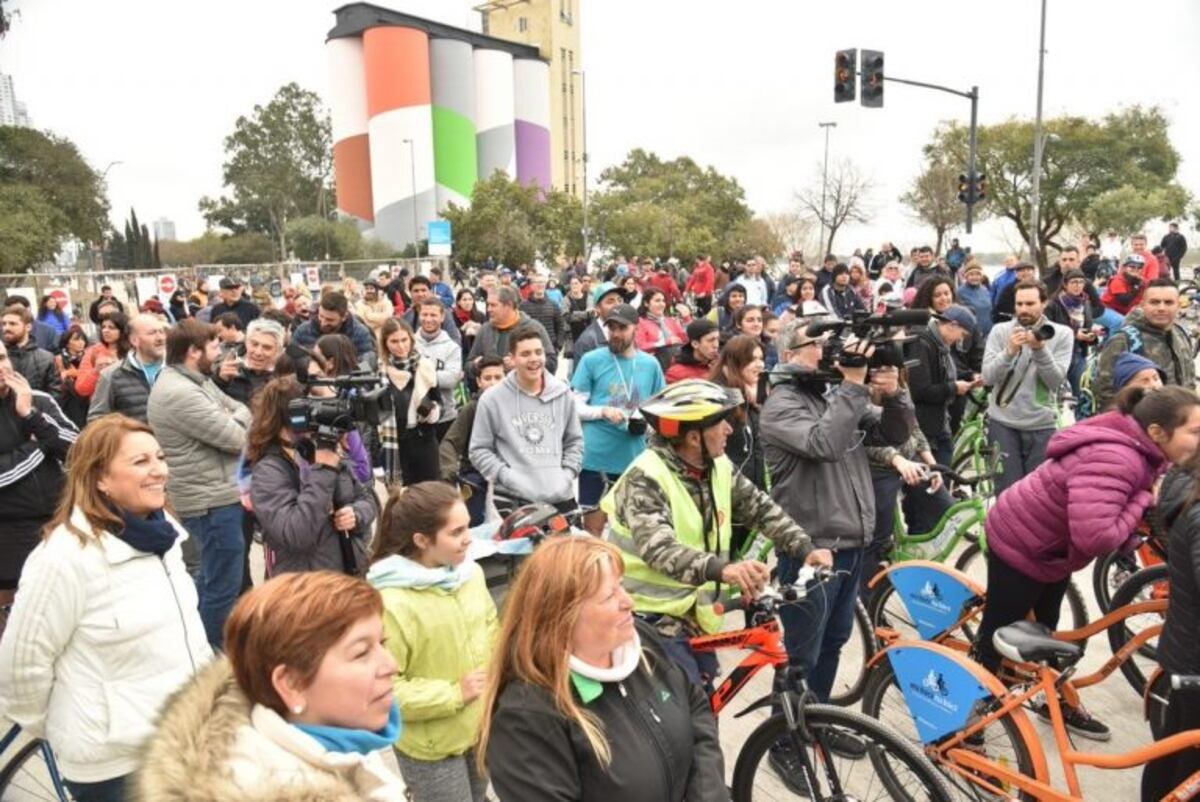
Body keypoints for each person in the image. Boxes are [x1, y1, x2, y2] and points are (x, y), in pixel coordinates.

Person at [0, 415, 209, 801]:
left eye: (159, 457)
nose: (158, 471)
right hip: (116, 766)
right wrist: (72, 724)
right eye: (140, 462)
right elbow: (20, 665)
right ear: (100, 479)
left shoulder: (166, 539)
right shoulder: (64, 558)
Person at [977, 386, 1200, 740]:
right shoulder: (1117, 459)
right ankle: (970, 719)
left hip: (1051, 547)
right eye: (1195, 432)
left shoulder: (1142, 449)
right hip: (1022, 542)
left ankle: (1054, 701)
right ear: (1158, 432)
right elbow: (1095, 538)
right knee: (997, 638)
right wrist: (1141, 499)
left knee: (1043, 632)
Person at [479, 537, 728, 802]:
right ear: (563, 617)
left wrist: (707, 795)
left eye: (621, 585)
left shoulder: (640, 640)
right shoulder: (527, 719)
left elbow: (695, 705)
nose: (628, 602)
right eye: (610, 595)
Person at [135, 571, 407, 800]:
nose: (391, 665)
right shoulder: (265, 786)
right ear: (291, 684)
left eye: (381, 644)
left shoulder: (338, 735)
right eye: (361, 653)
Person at [760, 319, 911, 712]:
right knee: (801, 653)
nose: (828, 351)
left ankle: (819, 720)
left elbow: (893, 435)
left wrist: (894, 394)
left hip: (851, 544)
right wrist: (854, 385)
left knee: (833, 642)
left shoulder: (833, 394)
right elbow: (824, 443)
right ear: (790, 355)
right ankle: (784, 740)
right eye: (818, 344)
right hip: (812, 548)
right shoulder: (781, 403)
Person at [366, 482, 498, 801]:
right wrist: (455, 693)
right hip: (430, 748)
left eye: (468, 527)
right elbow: (381, 690)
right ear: (422, 540)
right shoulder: (391, 603)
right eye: (456, 532)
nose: (469, 538)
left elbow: (491, 628)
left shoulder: (471, 575)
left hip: (477, 729)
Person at [146, 319, 251, 648]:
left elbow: (239, 408)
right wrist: (234, 418)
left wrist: (231, 414)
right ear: (194, 351)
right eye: (215, 346)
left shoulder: (196, 381)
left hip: (219, 495)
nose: (220, 352)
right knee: (221, 587)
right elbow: (236, 437)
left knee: (211, 580)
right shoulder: (179, 392)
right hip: (210, 503)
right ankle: (210, 656)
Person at [247, 376, 375, 576]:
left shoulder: (318, 449)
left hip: (347, 573)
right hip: (305, 587)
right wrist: (324, 469)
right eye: (310, 408)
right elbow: (297, 533)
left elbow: (366, 499)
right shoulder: (268, 471)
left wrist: (355, 514)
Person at [469, 325, 583, 512]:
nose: (534, 359)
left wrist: (567, 475)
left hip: (561, 497)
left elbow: (575, 442)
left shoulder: (563, 394)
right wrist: (506, 476)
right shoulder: (491, 399)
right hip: (512, 500)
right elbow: (479, 450)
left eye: (539, 352)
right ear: (512, 359)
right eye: (525, 354)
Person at [0, 340, 76, 618]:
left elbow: (78, 449)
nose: (2, 367)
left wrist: (31, 416)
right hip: (8, 535)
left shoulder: (37, 399)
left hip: (57, 522)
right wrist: (38, 447)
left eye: (3, 358)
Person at [571, 303, 664, 515]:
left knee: (629, 528)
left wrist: (647, 425)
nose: (615, 334)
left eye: (622, 328)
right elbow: (573, 406)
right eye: (611, 328)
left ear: (636, 329)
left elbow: (659, 408)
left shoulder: (651, 364)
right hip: (596, 458)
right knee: (594, 527)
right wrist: (602, 411)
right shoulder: (592, 359)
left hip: (634, 457)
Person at [981, 282, 1073, 495]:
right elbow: (988, 377)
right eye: (1019, 303)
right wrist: (1009, 352)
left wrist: (1039, 349)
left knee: (1038, 495)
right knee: (1007, 492)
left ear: (1044, 304)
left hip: (1042, 425)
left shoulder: (1061, 334)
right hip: (1003, 423)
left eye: (1030, 303)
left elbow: (1055, 381)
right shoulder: (1000, 331)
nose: (1023, 309)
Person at [1144, 450, 1200, 798]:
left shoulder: (1188, 485)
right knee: (1187, 764)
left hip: (1186, 648)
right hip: (1194, 657)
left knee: (1173, 749)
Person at [707, 336, 770, 554]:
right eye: (752, 360)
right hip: (724, 496)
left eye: (762, 358)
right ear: (735, 362)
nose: (760, 365)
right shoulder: (719, 393)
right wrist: (742, 395)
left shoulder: (753, 395)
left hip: (750, 494)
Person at [1094, 278, 1194, 412]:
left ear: (1178, 306)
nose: (1161, 308)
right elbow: (1106, 393)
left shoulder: (1180, 334)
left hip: (1180, 422)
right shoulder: (1124, 340)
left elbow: (1189, 381)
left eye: (1168, 302)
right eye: (1154, 302)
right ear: (1142, 305)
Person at [440, 356, 506, 526]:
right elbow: (450, 442)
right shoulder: (472, 408)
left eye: (498, 377)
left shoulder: (516, 407)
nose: (493, 383)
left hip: (506, 478)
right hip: (475, 477)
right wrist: (449, 472)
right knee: (472, 524)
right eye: (487, 378)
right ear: (478, 381)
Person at [906, 305, 976, 466]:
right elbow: (920, 390)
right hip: (924, 426)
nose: (960, 339)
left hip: (939, 421)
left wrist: (968, 376)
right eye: (962, 334)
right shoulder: (922, 343)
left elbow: (941, 375)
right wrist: (954, 388)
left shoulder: (938, 344)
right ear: (952, 325)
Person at [379, 318, 443, 486]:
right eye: (394, 341)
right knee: (403, 499)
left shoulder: (425, 367)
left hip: (424, 440)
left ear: (411, 339)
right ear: (385, 343)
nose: (401, 346)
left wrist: (434, 412)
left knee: (430, 495)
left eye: (404, 340)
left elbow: (438, 401)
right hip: (395, 443)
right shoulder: (380, 372)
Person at [87, 314, 166, 423]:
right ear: (134, 341)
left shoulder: (176, 369)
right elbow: (96, 420)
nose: (160, 338)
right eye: (152, 333)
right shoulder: (111, 375)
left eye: (161, 332)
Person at [467, 286, 557, 379]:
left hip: (524, 391)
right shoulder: (485, 329)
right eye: (488, 305)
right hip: (491, 391)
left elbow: (551, 364)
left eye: (493, 305)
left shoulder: (534, 328)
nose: (488, 309)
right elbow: (468, 365)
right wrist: (476, 366)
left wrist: (520, 365)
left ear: (508, 305)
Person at [413, 298, 463, 441]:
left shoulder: (451, 347)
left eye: (433, 315)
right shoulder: (409, 343)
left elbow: (452, 379)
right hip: (414, 415)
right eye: (425, 314)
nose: (428, 319)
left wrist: (420, 375)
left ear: (442, 317)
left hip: (444, 417)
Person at [1045, 269, 1099, 397]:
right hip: (1058, 354)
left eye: (1081, 282)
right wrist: (1074, 334)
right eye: (1074, 282)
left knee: (1078, 392)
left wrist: (1092, 336)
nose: (1078, 285)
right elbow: (1048, 330)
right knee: (1056, 393)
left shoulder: (1085, 303)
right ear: (1065, 284)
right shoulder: (1053, 304)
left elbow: (1087, 326)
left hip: (1079, 352)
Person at [214, 317, 284, 406]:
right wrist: (220, 381)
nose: (258, 352)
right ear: (246, 343)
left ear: (278, 351)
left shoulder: (284, 382)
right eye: (254, 344)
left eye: (267, 347)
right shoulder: (227, 373)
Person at [293, 290, 377, 364]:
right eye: (321, 316)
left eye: (330, 320)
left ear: (344, 317)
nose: (323, 323)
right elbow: (291, 358)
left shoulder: (359, 333)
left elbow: (366, 364)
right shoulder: (302, 331)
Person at [2, 304, 61, 395]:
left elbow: (56, 394)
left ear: (28, 327)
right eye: (4, 324)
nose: (6, 328)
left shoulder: (46, 358)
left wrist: (34, 407)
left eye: (12, 324)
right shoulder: (2, 357)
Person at [74, 311, 130, 400]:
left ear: (123, 330)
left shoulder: (133, 351)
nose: (106, 330)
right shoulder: (93, 351)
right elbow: (81, 388)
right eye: (103, 327)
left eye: (111, 328)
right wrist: (96, 371)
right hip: (103, 406)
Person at [634, 287, 687, 373]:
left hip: (677, 362)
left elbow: (686, 339)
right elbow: (639, 346)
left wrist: (687, 319)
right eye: (657, 301)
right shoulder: (640, 322)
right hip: (654, 365)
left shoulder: (670, 320)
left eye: (663, 301)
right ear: (646, 303)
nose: (662, 304)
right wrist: (665, 342)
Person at [401, 276, 464, 346]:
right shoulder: (407, 316)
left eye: (423, 290)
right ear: (410, 293)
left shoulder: (444, 313)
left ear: (430, 292)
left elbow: (455, 341)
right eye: (416, 291)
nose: (420, 294)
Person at [572, 282, 624, 364]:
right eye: (610, 302)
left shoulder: (627, 333)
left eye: (620, 300)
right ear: (597, 308)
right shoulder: (587, 342)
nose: (617, 305)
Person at [521, 274, 567, 358]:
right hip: (529, 349)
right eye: (537, 282)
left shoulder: (553, 305)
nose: (540, 285)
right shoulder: (523, 306)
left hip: (549, 349)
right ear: (531, 286)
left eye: (542, 282)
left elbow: (561, 326)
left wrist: (559, 345)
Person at [54, 325, 90, 428]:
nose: (81, 342)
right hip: (69, 402)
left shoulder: (89, 357)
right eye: (76, 339)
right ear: (67, 343)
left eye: (83, 339)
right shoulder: (59, 359)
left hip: (87, 400)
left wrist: (71, 373)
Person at [665, 318, 721, 384]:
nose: (716, 345)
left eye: (718, 339)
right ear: (695, 344)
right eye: (710, 340)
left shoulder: (721, 365)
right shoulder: (677, 373)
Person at [957, 260, 994, 339]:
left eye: (978, 274)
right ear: (966, 276)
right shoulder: (960, 292)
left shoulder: (985, 290)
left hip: (988, 333)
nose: (975, 277)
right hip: (971, 335)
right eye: (971, 274)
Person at [453, 288, 486, 358]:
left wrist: (479, 329)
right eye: (464, 300)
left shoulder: (480, 315)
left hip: (478, 353)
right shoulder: (452, 315)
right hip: (460, 352)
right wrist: (462, 329)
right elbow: (451, 335)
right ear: (458, 302)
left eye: (470, 299)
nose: (468, 302)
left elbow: (488, 335)